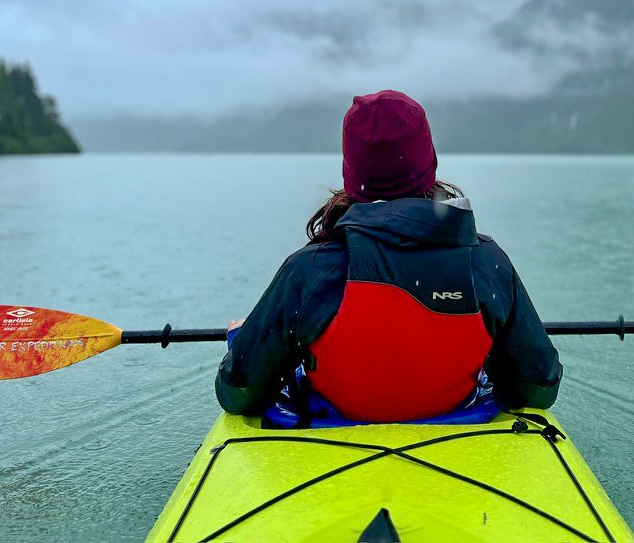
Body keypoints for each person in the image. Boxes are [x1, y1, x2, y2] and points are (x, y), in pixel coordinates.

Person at [216, 90, 561, 424]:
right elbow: (538, 387)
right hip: (459, 428)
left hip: (332, 432)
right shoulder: (487, 263)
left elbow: (239, 394)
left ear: (351, 171)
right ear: (428, 163)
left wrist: (239, 342)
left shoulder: (309, 271)